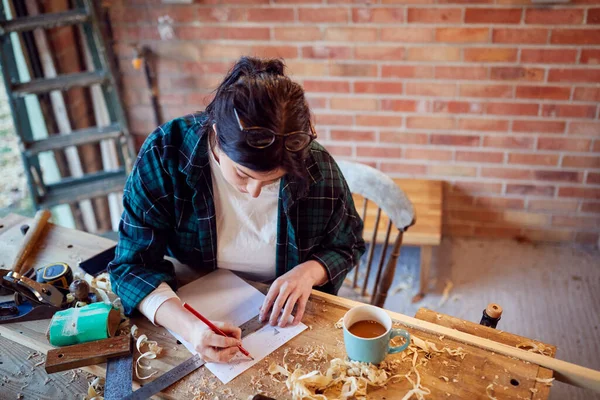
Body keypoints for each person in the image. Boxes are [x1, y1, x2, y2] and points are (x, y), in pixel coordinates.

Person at [109, 56, 365, 364]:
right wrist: (190, 330)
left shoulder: (316, 166)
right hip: (194, 297)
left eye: (272, 180)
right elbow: (130, 266)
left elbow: (348, 243)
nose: (254, 191)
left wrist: (307, 272)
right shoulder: (166, 154)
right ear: (216, 135)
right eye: (242, 174)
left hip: (282, 315)